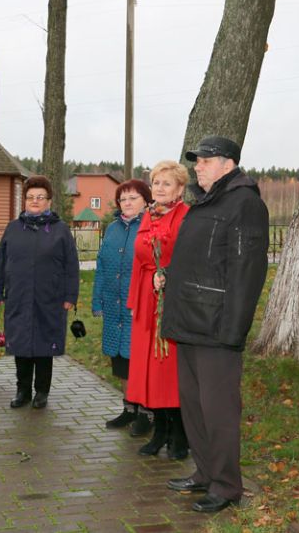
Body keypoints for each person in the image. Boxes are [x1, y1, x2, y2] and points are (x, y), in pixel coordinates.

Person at [162, 136, 269, 514]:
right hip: (189, 325)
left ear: (229, 164)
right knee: (193, 406)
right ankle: (205, 472)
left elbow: (248, 273)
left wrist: (233, 331)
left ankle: (226, 486)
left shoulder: (245, 204)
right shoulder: (206, 202)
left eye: (206, 160)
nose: (198, 166)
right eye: (198, 161)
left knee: (219, 410)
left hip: (217, 329)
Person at [0, 175, 80, 409]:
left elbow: (71, 265)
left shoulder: (60, 231)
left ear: (49, 200)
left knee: (43, 346)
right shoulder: (13, 229)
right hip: (18, 297)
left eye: (40, 197)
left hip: (49, 299)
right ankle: (22, 391)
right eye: (30, 197)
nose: (35, 201)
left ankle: (41, 392)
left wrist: (70, 296)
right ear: (24, 201)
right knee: (21, 345)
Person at [125, 161, 190, 460]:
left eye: (166, 183)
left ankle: (180, 434)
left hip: (171, 301)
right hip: (147, 301)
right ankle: (160, 430)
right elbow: (140, 257)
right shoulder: (148, 215)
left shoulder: (186, 216)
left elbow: (189, 256)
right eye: (156, 182)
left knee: (168, 370)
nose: (160, 188)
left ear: (179, 188)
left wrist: (168, 274)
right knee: (150, 370)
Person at [92, 179, 153, 436]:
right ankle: (128, 408)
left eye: (133, 198)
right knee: (120, 361)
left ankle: (146, 413)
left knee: (139, 360)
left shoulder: (150, 227)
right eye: (123, 199)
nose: (126, 203)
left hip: (138, 307)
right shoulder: (113, 229)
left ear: (146, 201)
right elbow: (102, 265)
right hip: (114, 305)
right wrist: (98, 300)